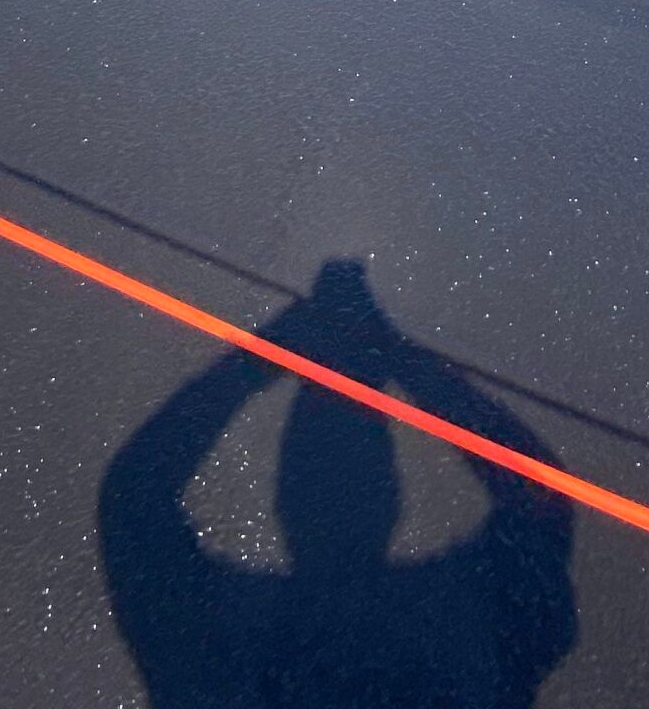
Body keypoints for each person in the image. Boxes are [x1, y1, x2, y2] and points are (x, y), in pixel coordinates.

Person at [100, 260, 578, 708]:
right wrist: (389, 350)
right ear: (391, 496)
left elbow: (133, 494)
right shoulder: (459, 631)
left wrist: (275, 350)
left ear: (284, 499)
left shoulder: (224, 639)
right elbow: (539, 498)